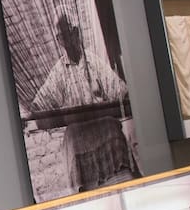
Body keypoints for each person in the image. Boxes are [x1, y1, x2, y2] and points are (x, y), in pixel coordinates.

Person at [32, 13, 138, 192]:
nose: (70, 38)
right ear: (59, 41)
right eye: (64, 35)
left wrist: (128, 94)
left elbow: (118, 89)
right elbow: (40, 104)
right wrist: (33, 112)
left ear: (78, 32)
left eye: (72, 32)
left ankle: (122, 182)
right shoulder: (58, 73)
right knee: (73, 136)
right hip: (78, 133)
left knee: (112, 127)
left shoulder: (94, 62)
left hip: (103, 125)